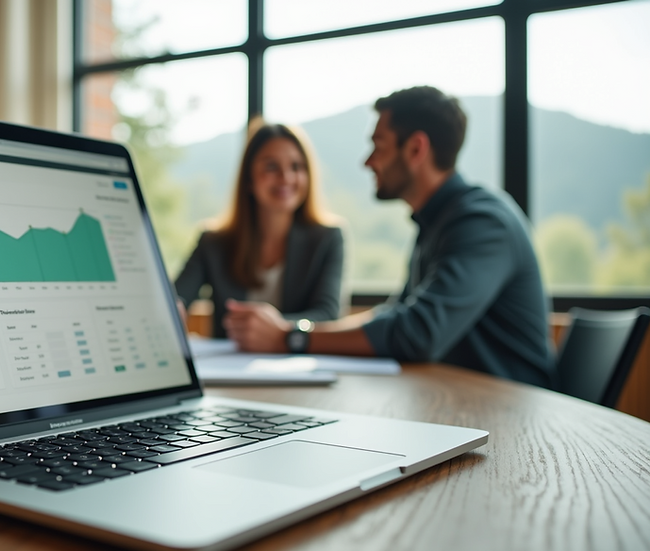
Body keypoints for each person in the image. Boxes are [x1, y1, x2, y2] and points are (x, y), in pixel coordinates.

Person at [223, 86, 554, 387]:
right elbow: (395, 314)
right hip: (467, 399)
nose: (367, 162)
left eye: (377, 145)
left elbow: (418, 333)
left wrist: (290, 338)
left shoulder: (482, 223)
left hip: (515, 413)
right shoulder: (439, 222)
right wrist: (293, 333)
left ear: (415, 149)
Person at [174, 120, 345, 341]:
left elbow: (328, 316)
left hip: (297, 367)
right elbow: (178, 297)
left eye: (297, 166)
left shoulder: (328, 238)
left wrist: (279, 329)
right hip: (228, 369)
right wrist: (172, 309)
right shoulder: (213, 242)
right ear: (248, 179)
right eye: (272, 167)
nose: (286, 178)